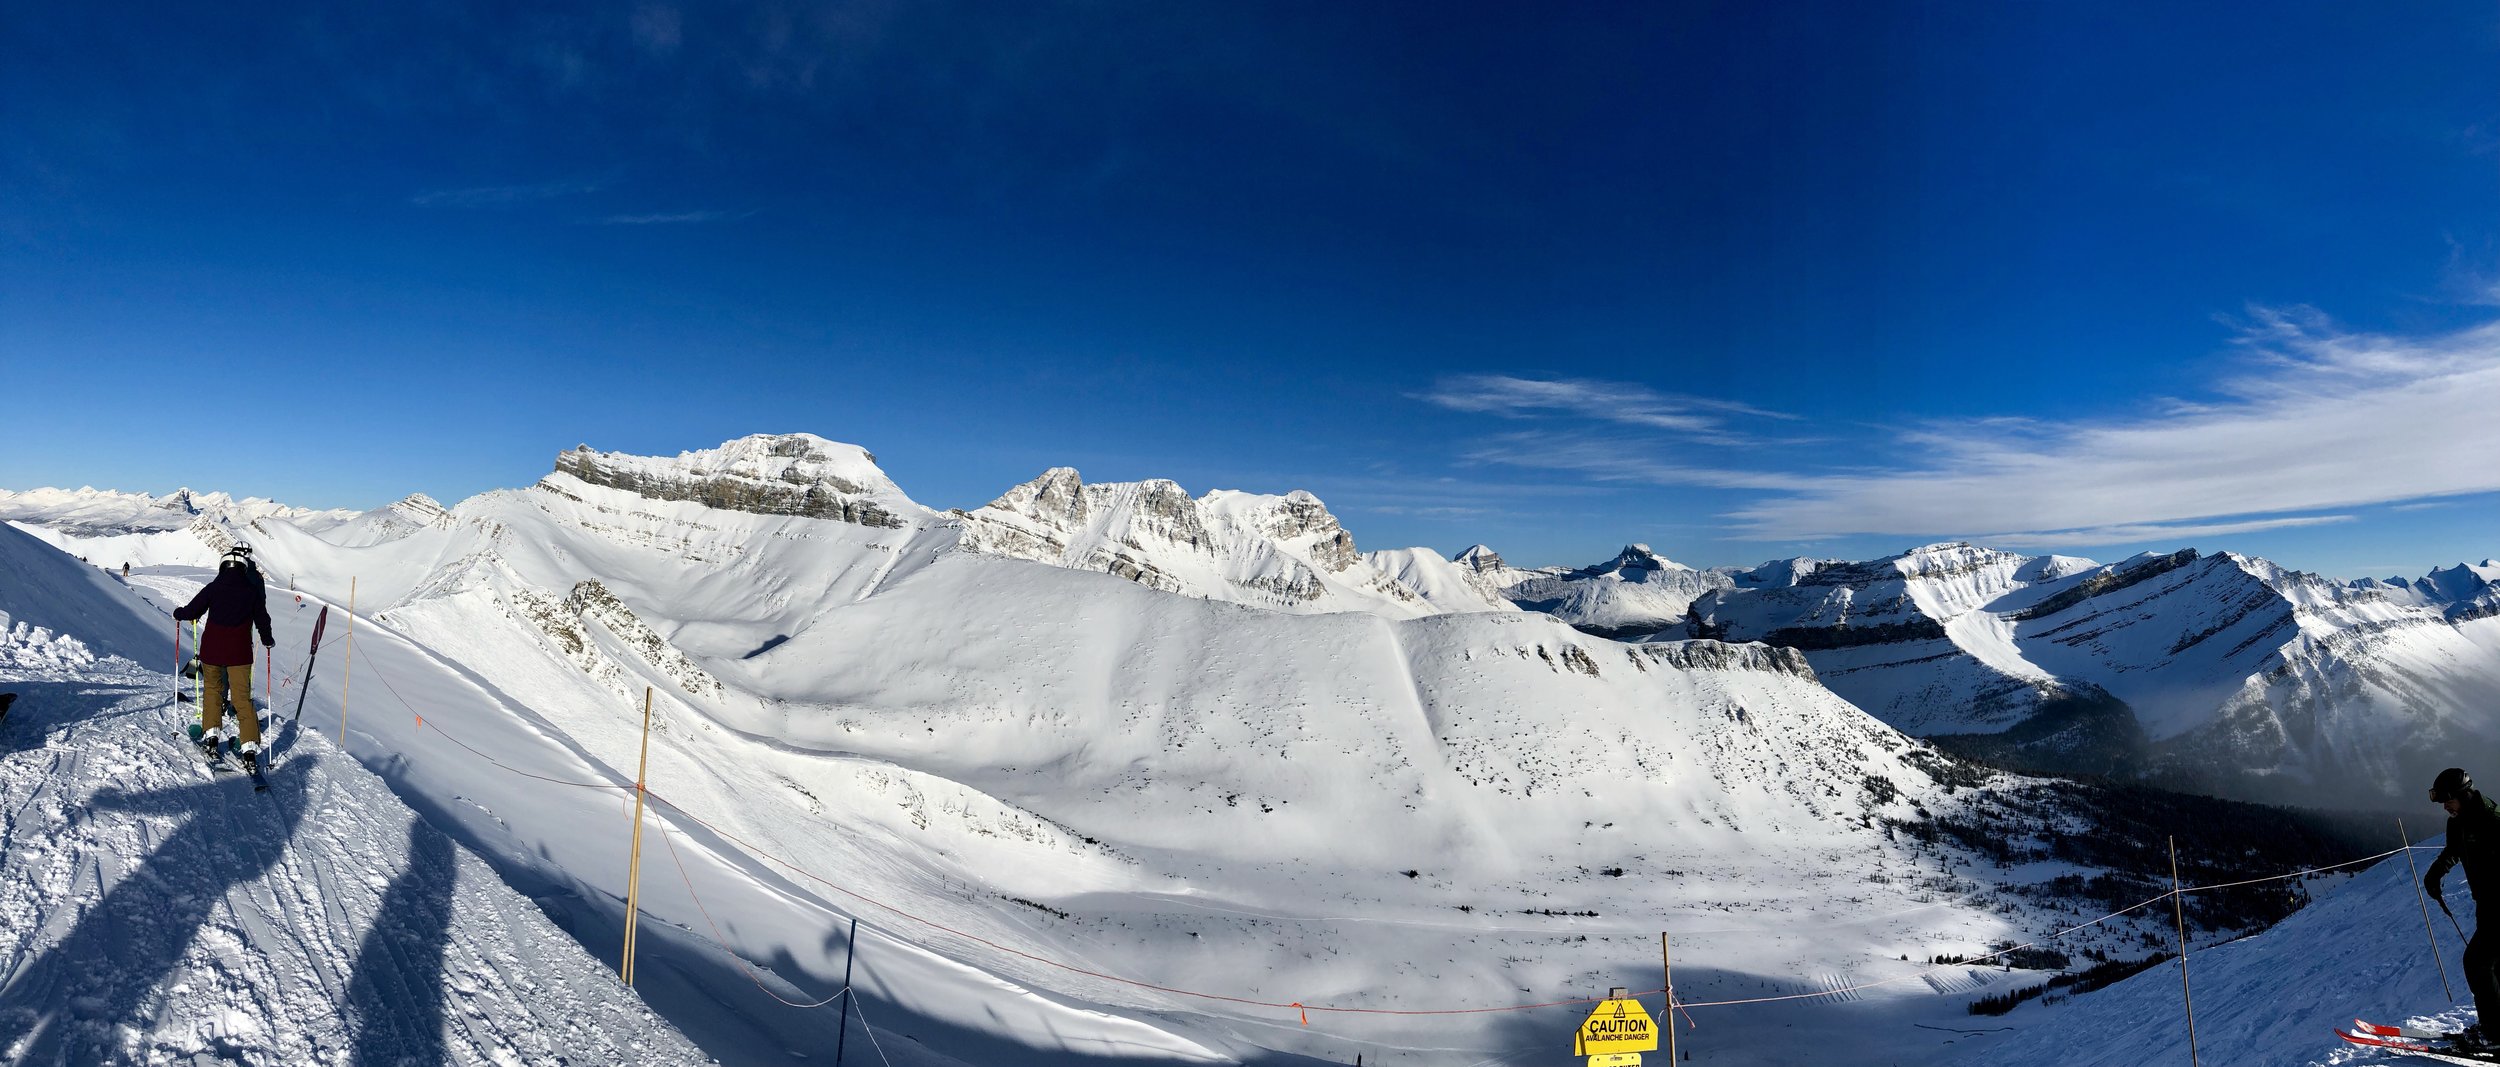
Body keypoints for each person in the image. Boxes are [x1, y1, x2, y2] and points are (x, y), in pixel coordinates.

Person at [173, 544, 275, 771]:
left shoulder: (213, 587)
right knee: (242, 699)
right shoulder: (251, 592)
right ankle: (249, 748)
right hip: (240, 654)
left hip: (212, 652)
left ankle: (211, 737)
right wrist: (267, 639)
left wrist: (178, 613)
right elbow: (262, 619)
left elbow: (191, 612)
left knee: (212, 692)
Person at [2426, 767, 2500, 1048]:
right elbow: (2454, 850)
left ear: (2463, 795)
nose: (2444, 807)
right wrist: (2436, 873)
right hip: (2486, 903)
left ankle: (2495, 1035)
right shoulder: (2458, 820)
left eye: (2447, 800)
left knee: (2478, 963)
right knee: (2494, 968)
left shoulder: (2491, 819)